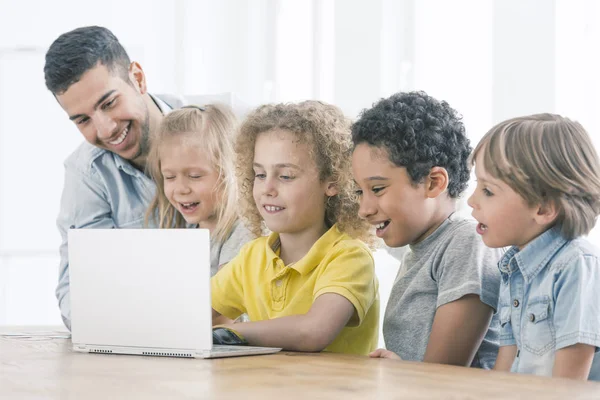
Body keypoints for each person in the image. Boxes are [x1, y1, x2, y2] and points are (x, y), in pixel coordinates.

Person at [44, 26, 229, 329]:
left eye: (109, 104)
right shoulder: (87, 173)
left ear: (138, 79)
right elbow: (78, 295)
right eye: (83, 120)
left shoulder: (228, 124)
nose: (105, 129)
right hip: (156, 340)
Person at [210, 101, 379, 354]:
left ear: (332, 182)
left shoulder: (350, 257)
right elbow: (190, 314)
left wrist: (231, 334)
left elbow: (313, 331)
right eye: (259, 174)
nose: (267, 189)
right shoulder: (251, 258)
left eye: (285, 176)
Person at [352, 91, 502, 368]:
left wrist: (397, 371)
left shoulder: (464, 243)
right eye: (359, 191)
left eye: (377, 189)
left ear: (433, 183)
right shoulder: (419, 249)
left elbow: (441, 375)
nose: (364, 208)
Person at [468, 113, 600, 380]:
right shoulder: (512, 267)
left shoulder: (576, 265)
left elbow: (568, 387)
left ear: (543, 207)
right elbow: (504, 372)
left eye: (488, 191)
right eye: (477, 186)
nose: (472, 200)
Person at [145, 105, 254, 275]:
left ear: (231, 171)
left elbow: (223, 299)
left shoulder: (243, 234)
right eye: (170, 177)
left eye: (195, 176)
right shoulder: (189, 232)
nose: (180, 189)